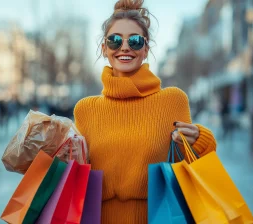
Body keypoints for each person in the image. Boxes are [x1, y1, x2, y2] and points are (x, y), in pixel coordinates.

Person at [73, 0, 217, 223]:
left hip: (159, 218)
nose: (125, 47)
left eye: (135, 40)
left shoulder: (173, 100)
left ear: (146, 48)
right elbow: (75, 177)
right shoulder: (85, 110)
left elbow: (195, 169)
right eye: (114, 40)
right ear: (104, 48)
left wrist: (200, 139)